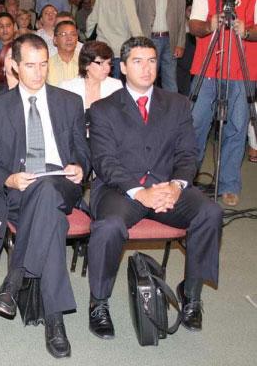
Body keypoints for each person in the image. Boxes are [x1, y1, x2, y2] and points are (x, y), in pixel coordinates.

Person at [87, 36, 223, 340]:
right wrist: (141, 192)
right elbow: (105, 162)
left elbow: (188, 154)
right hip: (121, 190)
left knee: (210, 212)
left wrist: (176, 185)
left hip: (167, 186)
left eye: (151, 61)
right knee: (109, 226)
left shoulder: (177, 104)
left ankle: (191, 295)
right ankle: (99, 302)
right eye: (137, 61)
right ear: (123, 67)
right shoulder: (103, 109)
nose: (146, 68)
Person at [0, 33, 90, 359]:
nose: (38, 72)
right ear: (15, 66)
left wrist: (80, 168)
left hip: (61, 183)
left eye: (43, 64)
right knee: (52, 221)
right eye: (30, 65)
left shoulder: (69, 102)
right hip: (20, 188)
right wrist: (8, 179)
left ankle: (15, 277)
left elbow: (83, 152)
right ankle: (54, 318)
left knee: (47, 190)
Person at [188, 0, 257, 207]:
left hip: (243, 71)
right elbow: (193, 25)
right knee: (195, 124)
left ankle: (229, 184)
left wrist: (247, 31)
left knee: (237, 128)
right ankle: (185, 180)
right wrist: (209, 26)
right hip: (207, 69)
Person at [134, 0, 186, 92]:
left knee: (170, 80)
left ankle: (171, 104)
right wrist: (136, 42)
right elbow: (133, 17)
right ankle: (145, 102)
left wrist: (180, 44)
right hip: (148, 40)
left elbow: (181, 19)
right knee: (147, 77)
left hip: (170, 41)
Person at [86, 0, 143, 79]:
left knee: (101, 81)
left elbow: (92, 19)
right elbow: (133, 22)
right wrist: (140, 44)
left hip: (102, 46)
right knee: (116, 84)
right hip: (119, 49)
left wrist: (88, 36)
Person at [58, 40, 122, 112]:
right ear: (86, 64)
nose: (107, 68)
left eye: (108, 63)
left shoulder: (116, 86)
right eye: (101, 63)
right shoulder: (67, 88)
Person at [47, 20, 81, 86]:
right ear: (55, 40)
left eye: (73, 34)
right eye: (63, 34)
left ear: (77, 39)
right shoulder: (47, 65)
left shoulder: (86, 64)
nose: (69, 38)